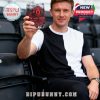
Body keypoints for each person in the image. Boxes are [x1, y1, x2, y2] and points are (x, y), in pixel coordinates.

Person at [17, 0, 100, 100]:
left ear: (71, 13)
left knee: (86, 88)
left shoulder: (80, 36)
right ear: (51, 12)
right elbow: (22, 54)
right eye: (57, 10)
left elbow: (90, 66)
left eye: (65, 10)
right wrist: (28, 37)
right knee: (79, 90)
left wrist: (95, 82)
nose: (61, 14)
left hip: (80, 81)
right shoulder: (40, 34)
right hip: (54, 83)